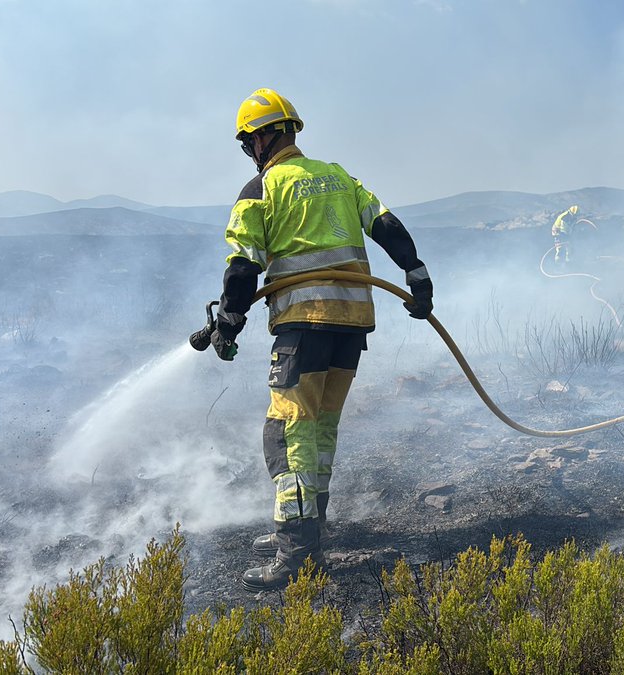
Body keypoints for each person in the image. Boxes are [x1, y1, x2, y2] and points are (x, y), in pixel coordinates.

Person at [208, 88, 434, 592]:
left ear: (266, 136)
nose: (251, 153)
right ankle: (307, 529)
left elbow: (243, 265)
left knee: (286, 433)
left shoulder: (261, 189)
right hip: (352, 324)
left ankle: (298, 555)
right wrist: (417, 275)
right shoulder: (338, 175)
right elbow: (386, 225)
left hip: (304, 324)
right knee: (320, 428)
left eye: (250, 143)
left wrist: (229, 320)